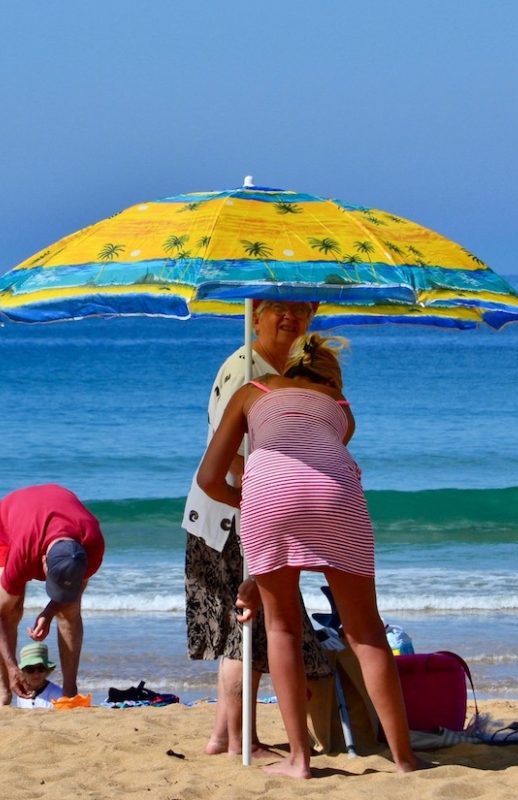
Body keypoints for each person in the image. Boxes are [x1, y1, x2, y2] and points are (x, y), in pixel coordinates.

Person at [198, 334, 423, 777]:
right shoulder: (340, 407)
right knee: (366, 632)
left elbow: (209, 478)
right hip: (337, 491)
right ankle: (405, 759)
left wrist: (248, 501)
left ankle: (299, 760)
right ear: (330, 377)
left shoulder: (252, 391)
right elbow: (319, 454)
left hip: (267, 489)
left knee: (281, 627)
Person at [182, 300, 331, 757]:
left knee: (252, 628)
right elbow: (223, 450)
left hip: (242, 512)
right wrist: (258, 485)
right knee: (245, 631)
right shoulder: (245, 366)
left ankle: (223, 736)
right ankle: (240, 740)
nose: (290, 317)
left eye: (300, 309)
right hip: (228, 519)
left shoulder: (286, 367)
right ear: (256, 314)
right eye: (278, 309)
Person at [0, 483, 105, 708]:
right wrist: (13, 668)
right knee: (11, 611)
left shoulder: (92, 545)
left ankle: (70, 694)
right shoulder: (23, 553)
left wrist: (50, 611)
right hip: (9, 520)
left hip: (56, 513)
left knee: (69, 609)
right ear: (43, 562)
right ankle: (2, 695)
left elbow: (75, 590)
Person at [11, 642, 63, 709]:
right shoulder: (21, 693)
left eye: (41, 669)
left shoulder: (58, 694)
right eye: (30, 669)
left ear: (46, 670)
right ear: (22, 672)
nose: (36, 675)